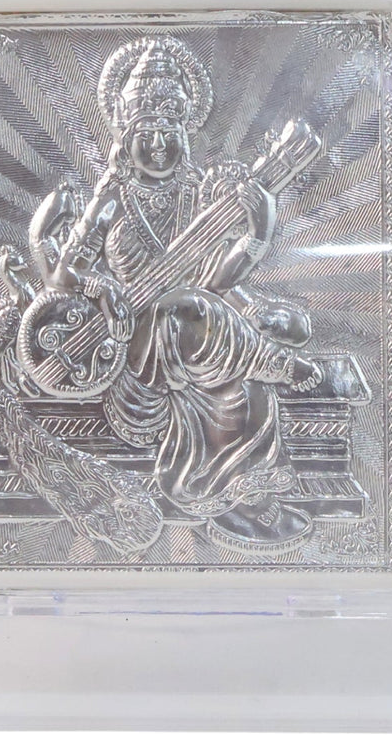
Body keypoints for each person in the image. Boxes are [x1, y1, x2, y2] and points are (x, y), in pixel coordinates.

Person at [33, 38, 324, 553]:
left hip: (195, 346)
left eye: (169, 133)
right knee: (181, 308)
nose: (159, 146)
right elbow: (60, 279)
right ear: (125, 136)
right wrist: (100, 287)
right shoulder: (111, 198)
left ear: (186, 135)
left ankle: (241, 501)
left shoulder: (200, 195)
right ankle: (272, 363)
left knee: (219, 327)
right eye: (146, 134)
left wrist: (256, 238)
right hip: (130, 358)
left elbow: (215, 285)